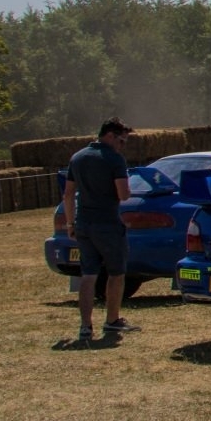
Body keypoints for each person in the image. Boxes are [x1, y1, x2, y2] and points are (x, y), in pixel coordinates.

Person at [63, 118, 139, 343]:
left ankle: (85, 327)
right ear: (110, 136)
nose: (122, 146)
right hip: (107, 223)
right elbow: (123, 194)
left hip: (83, 224)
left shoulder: (77, 157)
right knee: (116, 273)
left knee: (88, 275)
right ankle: (112, 319)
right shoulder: (114, 159)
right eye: (122, 141)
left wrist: (70, 224)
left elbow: (68, 194)